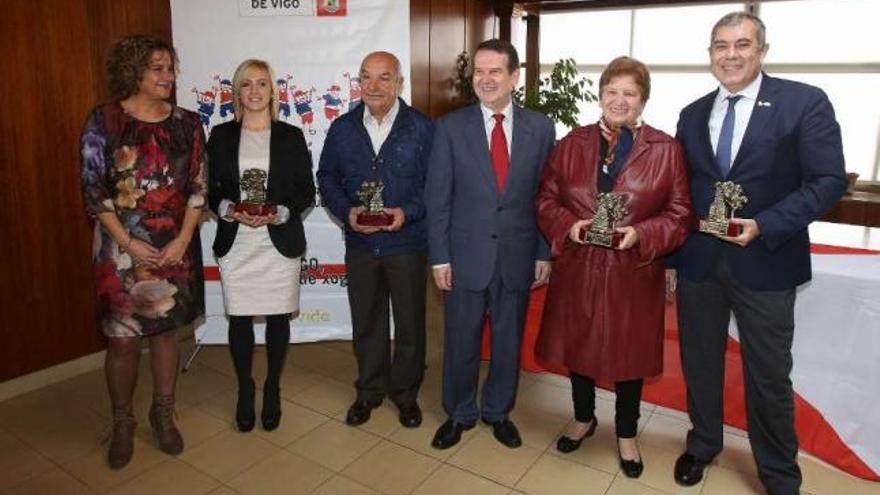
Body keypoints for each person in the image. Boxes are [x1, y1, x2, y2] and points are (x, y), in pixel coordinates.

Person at [670, 12, 847, 494]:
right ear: (710, 54)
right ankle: (703, 444)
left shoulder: (803, 103)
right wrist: (670, 260)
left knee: (769, 374)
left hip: (767, 260)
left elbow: (828, 180)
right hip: (699, 263)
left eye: (742, 44)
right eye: (720, 45)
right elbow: (680, 193)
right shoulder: (691, 114)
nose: (730, 54)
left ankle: (778, 473)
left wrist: (766, 224)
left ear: (762, 51)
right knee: (700, 362)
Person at [534, 56, 692, 478]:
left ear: (642, 100)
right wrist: (570, 227)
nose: (619, 100)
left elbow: (680, 215)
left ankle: (626, 434)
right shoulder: (572, 143)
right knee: (578, 349)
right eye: (612, 91)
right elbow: (546, 200)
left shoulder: (666, 149)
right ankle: (583, 419)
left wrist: (642, 234)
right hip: (580, 267)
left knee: (630, 356)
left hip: (633, 272)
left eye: (629, 93)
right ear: (600, 94)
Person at [79, 35, 206, 469]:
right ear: (134, 71)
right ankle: (122, 422)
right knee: (123, 341)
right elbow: (94, 194)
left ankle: (163, 415)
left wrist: (184, 240)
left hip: (175, 246)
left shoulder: (189, 124)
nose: (167, 76)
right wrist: (130, 244)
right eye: (157, 68)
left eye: (170, 68)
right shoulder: (104, 121)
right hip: (120, 249)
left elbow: (198, 188)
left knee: (167, 333)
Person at [426, 39, 556, 450]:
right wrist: (440, 257)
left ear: (514, 77)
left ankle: (498, 411)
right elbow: (438, 197)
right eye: (479, 71)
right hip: (464, 257)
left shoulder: (541, 127)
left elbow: (545, 197)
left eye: (495, 71)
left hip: (517, 255)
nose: (485, 79)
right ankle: (459, 412)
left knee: (507, 342)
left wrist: (542, 251)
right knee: (461, 341)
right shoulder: (450, 127)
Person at [317, 51, 434, 429]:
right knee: (367, 321)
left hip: (407, 243)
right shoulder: (343, 128)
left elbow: (436, 185)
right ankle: (369, 391)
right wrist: (348, 212)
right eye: (366, 77)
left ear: (400, 83)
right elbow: (327, 177)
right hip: (362, 245)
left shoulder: (422, 127)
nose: (374, 86)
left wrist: (407, 213)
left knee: (410, 324)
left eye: (384, 78)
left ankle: (405, 394)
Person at [207, 59, 315, 433]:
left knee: (277, 316)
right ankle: (244, 388)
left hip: (278, 241)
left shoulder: (290, 136)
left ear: (273, 92)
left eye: (262, 84)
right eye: (247, 84)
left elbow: (306, 191)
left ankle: (271, 388)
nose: (255, 91)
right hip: (237, 242)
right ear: (237, 93)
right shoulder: (220, 136)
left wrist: (283, 212)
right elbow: (210, 191)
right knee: (238, 318)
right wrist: (227, 208)